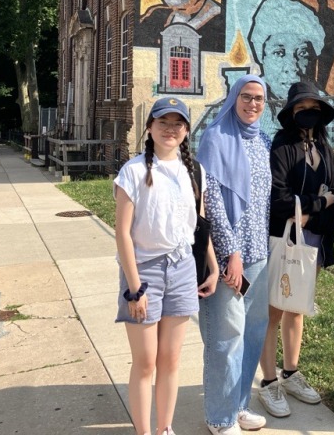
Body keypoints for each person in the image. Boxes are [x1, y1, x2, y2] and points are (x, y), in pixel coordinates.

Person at [113, 97, 218, 435]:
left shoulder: (194, 170)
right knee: (145, 362)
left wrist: (212, 266)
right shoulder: (133, 171)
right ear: (150, 127)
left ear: (187, 130)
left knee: (170, 361)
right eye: (163, 122)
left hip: (183, 268)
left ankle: (164, 428)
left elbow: (199, 226)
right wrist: (134, 287)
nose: (170, 129)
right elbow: (123, 235)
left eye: (178, 123)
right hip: (144, 271)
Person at [257, 81, 334, 418]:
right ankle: (268, 381)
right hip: (283, 238)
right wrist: (315, 203)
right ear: (292, 113)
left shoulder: (324, 144)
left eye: (314, 107)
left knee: (297, 307)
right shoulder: (282, 145)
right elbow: (277, 198)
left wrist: (315, 210)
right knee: (273, 309)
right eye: (301, 108)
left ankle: (290, 372)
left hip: (313, 241)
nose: (308, 113)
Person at [196, 75, 272, 435]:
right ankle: (220, 417)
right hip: (230, 257)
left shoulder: (264, 142)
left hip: (260, 254)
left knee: (252, 334)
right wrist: (231, 254)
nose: (252, 104)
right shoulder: (215, 138)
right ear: (234, 97)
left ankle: (239, 404)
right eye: (246, 96)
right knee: (225, 338)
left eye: (259, 98)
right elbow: (210, 202)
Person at [247, 0, 334, 149]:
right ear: (262, 57)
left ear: (313, 60)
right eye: (279, 53)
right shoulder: (236, 114)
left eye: (302, 54)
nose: (292, 66)